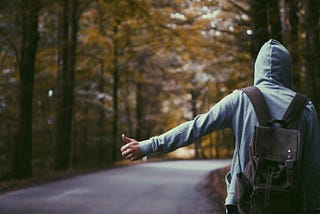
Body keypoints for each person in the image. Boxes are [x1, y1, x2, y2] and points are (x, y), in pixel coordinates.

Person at [120, 39, 320, 213]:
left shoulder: (241, 99)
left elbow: (196, 127)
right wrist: (312, 207)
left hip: (244, 202)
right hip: (290, 204)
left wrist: (148, 146)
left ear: (257, 68)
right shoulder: (305, 108)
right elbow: (313, 167)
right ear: (287, 70)